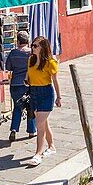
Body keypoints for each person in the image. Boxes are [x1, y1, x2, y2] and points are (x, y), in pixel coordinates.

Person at [25, 37, 61, 166]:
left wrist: (59, 97)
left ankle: (38, 154)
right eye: (32, 45)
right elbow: (28, 75)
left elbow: (55, 81)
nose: (33, 48)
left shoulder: (50, 62)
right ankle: (51, 147)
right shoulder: (31, 60)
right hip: (33, 92)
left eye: (35, 46)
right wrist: (26, 80)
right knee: (44, 123)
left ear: (42, 47)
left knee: (39, 125)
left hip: (46, 93)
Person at [4, 31, 36, 142]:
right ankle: (32, 131)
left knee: (17, 107)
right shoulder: (31, 54)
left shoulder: (13, 53)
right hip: (28, 84)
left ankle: (13, 129)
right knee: (30, 107)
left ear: (17, 41)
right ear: (28, 41)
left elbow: (8, 67)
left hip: (15, 84)